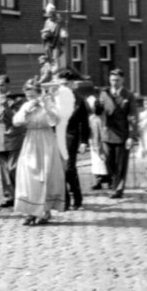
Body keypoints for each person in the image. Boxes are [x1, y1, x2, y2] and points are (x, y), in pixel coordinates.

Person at [13, 79, 65, 225]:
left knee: (45, 175)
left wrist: (45, 105)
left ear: (38, 93)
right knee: (29, 175)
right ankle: (30, 211)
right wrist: (27, 108)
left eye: (32, 96)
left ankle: (44, 211)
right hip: (31, 140)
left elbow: (55, 121)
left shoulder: (47, 103)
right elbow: (16, 121)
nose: (30, 99)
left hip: (46, 140)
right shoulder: (26, 105)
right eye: (27, 96)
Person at [94, 68, 138, 199]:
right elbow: (97, 112)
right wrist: (98, 105)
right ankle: (114, 183)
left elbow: (133, 117)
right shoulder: (104, 94)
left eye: (117, 80)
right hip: (107, 133)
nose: (114, 83)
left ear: (123, 80)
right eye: (112, 80)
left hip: (122, 135)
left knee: (120, 163)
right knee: (108, 162)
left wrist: (131, 136)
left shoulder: (128, 96)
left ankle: (118, 188)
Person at [0, 75, 26, 208]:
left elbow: (16, 120)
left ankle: (19, 194)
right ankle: (9, 197)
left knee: (13, 168)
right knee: (3, 170)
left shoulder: (17, 100)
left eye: (2, 85)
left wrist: (6, 107)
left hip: (13, 138)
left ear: (8, 85)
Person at [56, 71, 90, 210]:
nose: (62, 87)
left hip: (72, 136)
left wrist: (84, 142)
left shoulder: (80, 100)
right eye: (60, 85)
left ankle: (77, 196)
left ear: (71, 84)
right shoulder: (55, 99)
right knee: (59, 169)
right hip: (57, 136)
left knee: (69, 169)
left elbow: (84, 123)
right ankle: (64, 199)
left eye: (65, 84)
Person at [86, 95, 109, 190]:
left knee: (104, 161)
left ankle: (109, 179)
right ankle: (98, 180)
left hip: (103, 142)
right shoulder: (91, 118)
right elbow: (90, 131)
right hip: (94, 142)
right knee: (96, 162)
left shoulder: (104, 118)